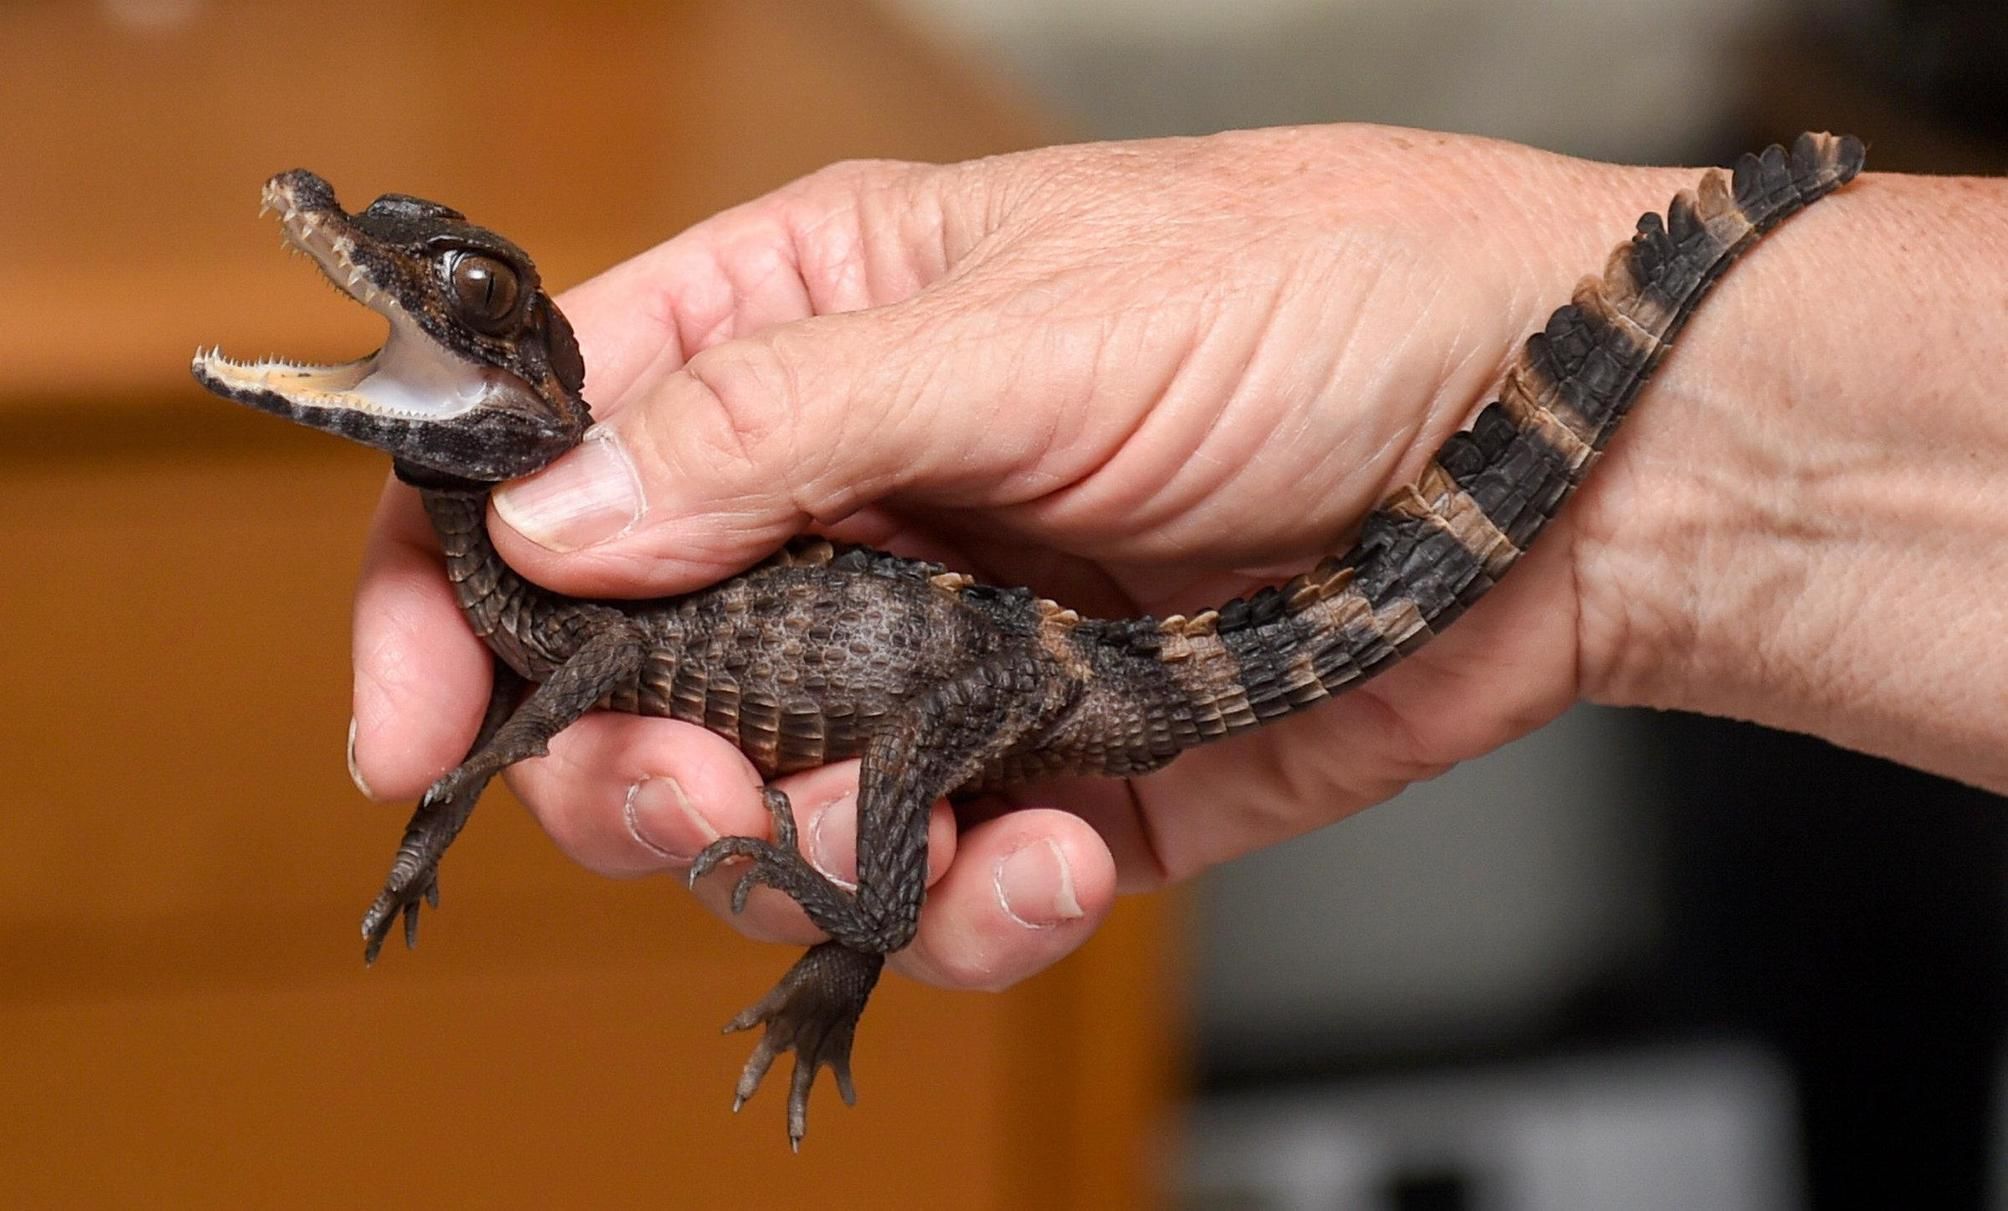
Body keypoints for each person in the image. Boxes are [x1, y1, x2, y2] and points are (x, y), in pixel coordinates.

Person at [343, 124, 2008, 992]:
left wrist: (452, 811)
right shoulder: (505, 547)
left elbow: (616, 661)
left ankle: (854, 940)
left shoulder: (583, 532)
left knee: (872, 854)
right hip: (1001, 664)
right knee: (856, 837)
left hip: (1006, 670)